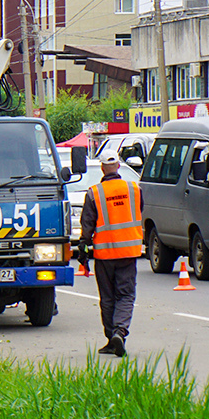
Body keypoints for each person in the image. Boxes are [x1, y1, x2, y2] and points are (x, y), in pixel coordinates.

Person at [80, 153, 144, 358]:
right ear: (117, 166)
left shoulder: (94, 193)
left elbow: (87, 224)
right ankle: (120, 332)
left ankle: (110, 338)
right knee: (125, 295)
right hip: (128, 252)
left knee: (107, 298)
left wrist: (83, 249)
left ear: (101, 169)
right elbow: (139, 211)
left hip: (104, 254)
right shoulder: (134, 189)